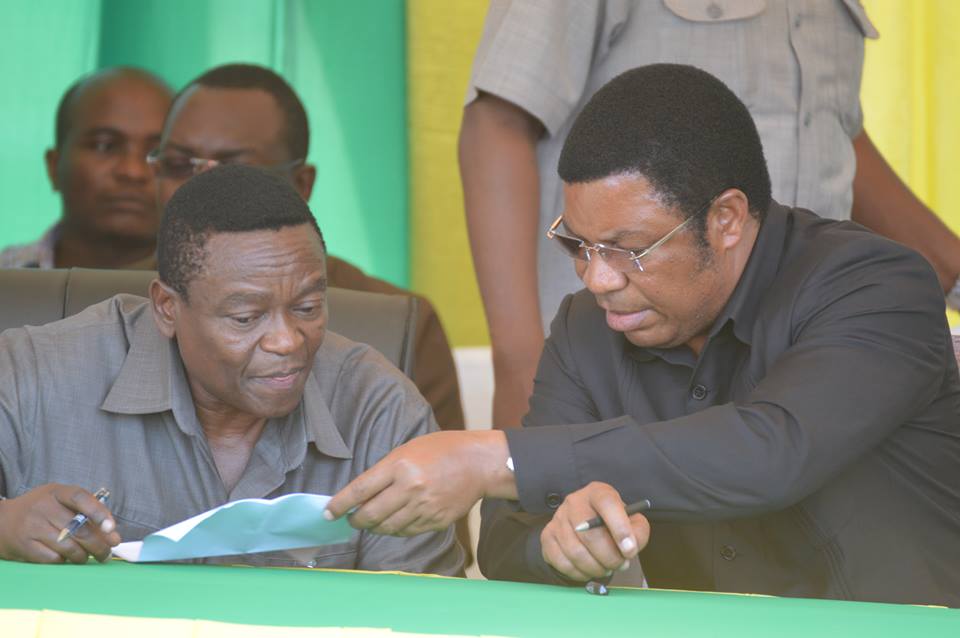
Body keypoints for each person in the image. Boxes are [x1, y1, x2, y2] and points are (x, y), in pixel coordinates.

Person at [324, 65, 960, 606]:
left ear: (727, 219)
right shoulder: (588, 328)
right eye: (578, 244)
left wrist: (494, 458)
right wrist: (560, 547)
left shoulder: (876, 286)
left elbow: (772, 451)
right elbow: (505, 536)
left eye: (629, 250)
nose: (597, 279)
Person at [459, 0, 960, 429]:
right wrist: (522, 366)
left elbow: (832, 132)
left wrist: (947, 271)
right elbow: (500, 119)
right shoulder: (587, 324)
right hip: (637, 360)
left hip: (801, 348)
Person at [0, 164, 463, 575]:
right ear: (166, 308)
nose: (287, 341)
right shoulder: (36, 373)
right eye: (245, 318)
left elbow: (426, 615)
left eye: (307, 307)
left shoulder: (379, 412)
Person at [144, 64, 465, 436]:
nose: (203, 187)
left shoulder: (400, 324)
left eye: (235, 169)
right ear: (163, 306)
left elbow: (440, 466)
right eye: (179, 165)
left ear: (302, 182)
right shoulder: (112, 300)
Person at [0, 67, 172, 269]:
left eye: (157, 152)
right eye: (104, 146)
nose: (132, 171)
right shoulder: (6, 276)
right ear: (54, 166)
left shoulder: (205, 287)